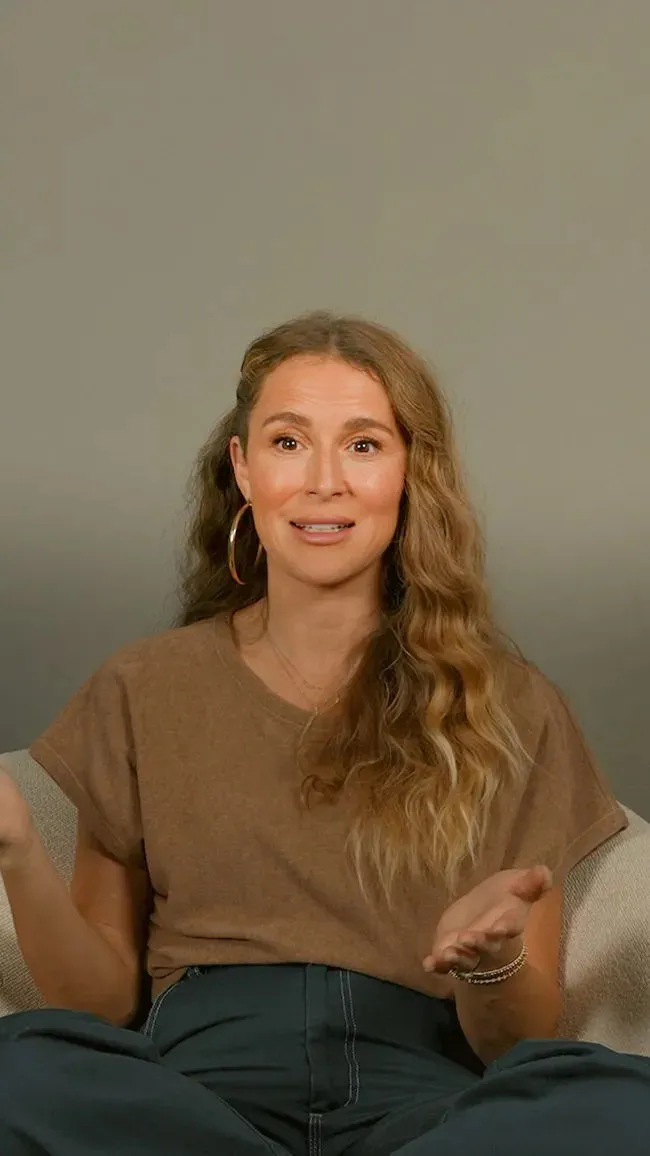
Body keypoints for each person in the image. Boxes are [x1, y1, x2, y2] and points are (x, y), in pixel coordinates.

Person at [0, 311, 647, 1156]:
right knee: (21, 1067)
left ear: (411, 473)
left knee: (615, 1101)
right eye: (288, 442)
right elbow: (97, 1007)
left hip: (423, 1110)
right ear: (243, 467)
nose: (324, 482)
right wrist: (19, 853)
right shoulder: (142, 686)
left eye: (364, 445)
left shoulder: (514, 707)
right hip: (196, 1106)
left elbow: (516, 1043)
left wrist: (491, 960)